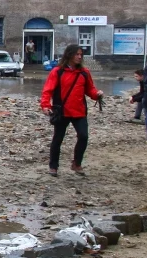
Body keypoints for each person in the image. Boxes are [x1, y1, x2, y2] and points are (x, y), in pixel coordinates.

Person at [40, 44, 104, 176]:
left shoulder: (84, 72)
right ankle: (53, 166)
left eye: (81, 55)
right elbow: (48, 90)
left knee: (83, 136)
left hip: (79, 110)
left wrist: (97, 94)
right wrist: (45, 105)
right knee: (58, 139)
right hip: (61, 111)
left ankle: (77, 163)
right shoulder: (57, 71)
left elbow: (90, 89)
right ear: (69, 55)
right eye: (77, 54)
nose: (79, 57)